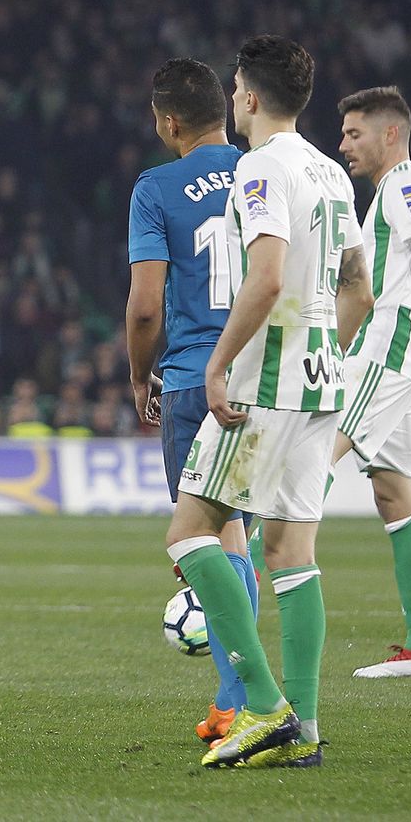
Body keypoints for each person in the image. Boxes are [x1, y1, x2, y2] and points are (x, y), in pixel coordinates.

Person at [165, 35, 372, 769]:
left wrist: (221, 366)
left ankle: (261, 706)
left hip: (266, 382)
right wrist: (326, 356)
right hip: (322, 380)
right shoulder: (331, 173)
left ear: (247, 96)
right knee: (291, 551)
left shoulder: (259, 169)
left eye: (235, 90)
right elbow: (358, 287)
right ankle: (306, 730)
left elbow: (267, 276)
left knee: (190, 533)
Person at [126, 57, 261, 744]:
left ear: (170, 121)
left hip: (192, 378)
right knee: (242, 534)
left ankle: (244, 700)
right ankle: (238, 700)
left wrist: (137, 372)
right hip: (270, 377)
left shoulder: (156, 188)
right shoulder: (268, 172)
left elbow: (147, 306)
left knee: (199, 537)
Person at [330, 88, 411, 679]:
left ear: (391, 134)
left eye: (354, 134)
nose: (344, 144)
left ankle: (226, 569)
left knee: (314, 451)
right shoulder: (391, 192)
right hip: (392, 347)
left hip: (389, 344)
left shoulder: (406, 184)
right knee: (394, 494)